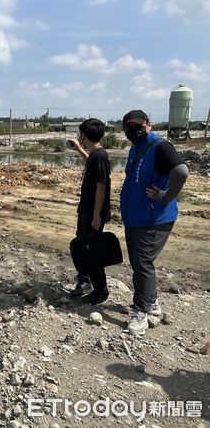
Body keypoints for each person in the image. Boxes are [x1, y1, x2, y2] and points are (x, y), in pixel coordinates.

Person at [120, 110, 189, 335]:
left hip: (153, 219)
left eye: (138, 125)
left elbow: (181, 171)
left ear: (148, 124)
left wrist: (165, 196)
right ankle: (152, 301)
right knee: (140, 262)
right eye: (129, 126)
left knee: (142, 263)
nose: (134, 129)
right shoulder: (135, 149)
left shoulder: (160, 147)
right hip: (136, 218)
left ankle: (141, 312)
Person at [68, 118, 112, 304]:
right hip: (87, 210)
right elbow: (93, 166)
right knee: (83, 246)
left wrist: (96, 216)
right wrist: (79, 150)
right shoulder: (96, 155)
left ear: (84, 135)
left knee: (92, 251)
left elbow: (101, 186)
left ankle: (100, 291)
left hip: (92, 213)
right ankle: (85, 281)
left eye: (81, 134)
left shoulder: (100, 156)